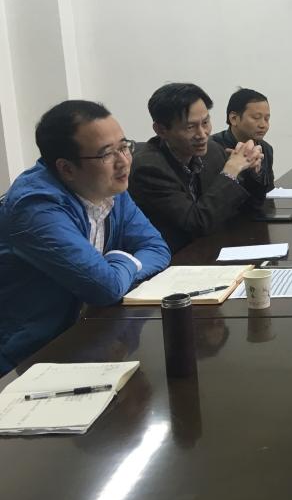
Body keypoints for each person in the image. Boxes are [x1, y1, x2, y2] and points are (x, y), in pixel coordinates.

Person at [0, 100, 170, 374]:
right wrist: (124, 263)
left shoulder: (107, 187)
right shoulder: (34, 207)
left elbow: (157, 248)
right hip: (28, 359)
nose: (123, 162)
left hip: (90, 336)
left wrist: (116, 266)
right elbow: (104, 288)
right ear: (66, 168)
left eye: (124, 147)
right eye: (107, 154)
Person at [129, 82, 265, 252]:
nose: (202, 134)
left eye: (205, 122)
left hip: (211, 248)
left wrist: (251, 170)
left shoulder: (212, 151)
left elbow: (248, 209)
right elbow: (196, 223)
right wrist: (230, 172)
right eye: (190, 127)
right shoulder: (149, 169)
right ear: (161, 130)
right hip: (176, 257)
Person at [211, 87, 274, 201]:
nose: (263, 125)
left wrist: (256, 174)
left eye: (267, 119)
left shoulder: (265, 149)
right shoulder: (212, 148)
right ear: (234, 118)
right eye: (256, 118)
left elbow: (269, 195)